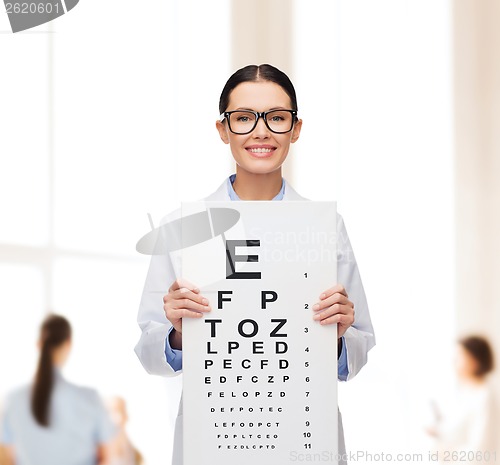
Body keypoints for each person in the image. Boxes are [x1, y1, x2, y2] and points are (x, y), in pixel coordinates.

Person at [134, 63, 376, 465]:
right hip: (213, 437)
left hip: (305, 435)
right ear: (223, 129)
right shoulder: (182, 228)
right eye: (244, 118)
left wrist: (337, 333)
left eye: (277, 118)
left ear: (296, 129)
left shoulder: (325, 227)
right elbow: (148, 353)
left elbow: (357, 352)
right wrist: (177, 335)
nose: (261, 132)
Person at [0, 314, 116, 465]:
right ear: (68, 343)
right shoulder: (89, 398)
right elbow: (105, 457)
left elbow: (5, 459)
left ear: (38, 344)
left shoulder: (13, 400)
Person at [427, 336, 498, 464]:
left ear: (475, 361)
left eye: (459, 357)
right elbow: (459, 429)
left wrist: (449, 453)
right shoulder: (464, 392)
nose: (454, 362)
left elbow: (481, 451)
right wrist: (439, 430)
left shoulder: (485, 397)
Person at [107, 396, 144, 465]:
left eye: (123, 411)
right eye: (113, 411)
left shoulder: (135, 454)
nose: (120, 416)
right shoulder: (98, 450)